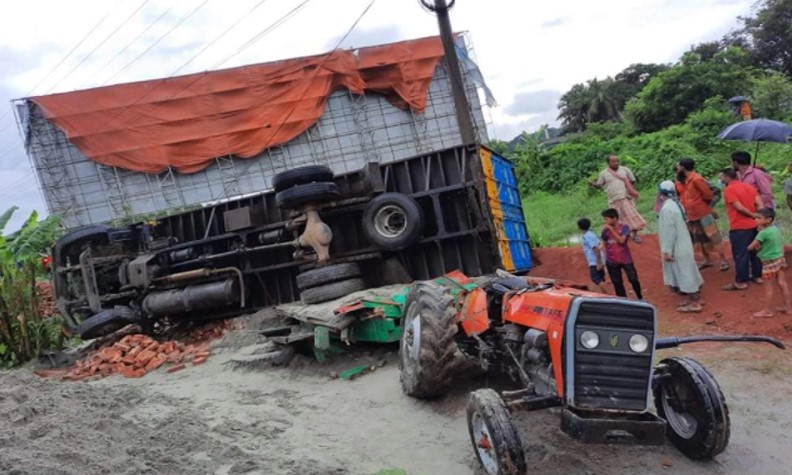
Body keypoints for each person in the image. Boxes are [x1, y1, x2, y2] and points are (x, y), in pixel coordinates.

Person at [656, 181, 704, 312]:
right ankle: (696, 297)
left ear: (661, 194)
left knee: (684, 274)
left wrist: (667, 250)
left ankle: (695, 304)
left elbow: (668, 232)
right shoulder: (677, 205)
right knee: (689, 270)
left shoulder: (666, 209)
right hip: (684, 244)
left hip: (676, 247)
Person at [675, 158, 729, 271]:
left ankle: (723, 259)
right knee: (699, 237)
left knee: (713, 236)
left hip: (702, 212)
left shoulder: (696, 179)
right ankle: (706, 259)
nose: (677, 168)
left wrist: (705, 206)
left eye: (678, 166)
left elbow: (708, 195)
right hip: (691, 214)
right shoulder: (681, 180)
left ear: (683, 167)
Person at [720, 168, 765, 291]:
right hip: (754, 225)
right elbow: (760, 204)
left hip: (739, 226)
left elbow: (738, 207)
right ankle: (758, 276)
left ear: (727, 177)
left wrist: (752, 215)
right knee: (755, 252)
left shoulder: (729, 190)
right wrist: (759, 218)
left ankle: (741, 281)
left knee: (740, 254)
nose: (720, 179)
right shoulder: (749, 187)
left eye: (721, 177)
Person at [589, 155, 646, 243]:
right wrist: (593, 184)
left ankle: (635, 235)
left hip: (625, 197)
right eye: (613, 161)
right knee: (615, 219)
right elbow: (599, 185)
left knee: (631, 216)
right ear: (608, 163)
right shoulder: (603, 173)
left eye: (617, 161)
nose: (616, 163)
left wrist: (627, 186)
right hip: (613, 199)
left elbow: (632, 180)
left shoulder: (625, 170)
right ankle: (621, 236)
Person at [748, 209, 790, 317]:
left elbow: (750, 247)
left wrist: (757, 241)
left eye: (758, 218)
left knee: (769, 288)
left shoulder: (762, 233)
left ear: (768, 220)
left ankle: (767, 310)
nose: (755, 220)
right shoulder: (775, 229)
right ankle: (788, 308)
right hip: (780, 259)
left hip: (768, 263)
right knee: (782, 283)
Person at [600, 208, 643, 299]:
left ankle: (640, 297)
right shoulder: (604, 231)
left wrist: (611, 230)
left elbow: (622, 241)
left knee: (633, 279)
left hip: (626, 259)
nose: (605, 221)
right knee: (617, 283)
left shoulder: (624, 227)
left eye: (606, 219)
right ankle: (624, 301)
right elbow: (603, 242)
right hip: (611, 261)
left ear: (614, 218)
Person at [577, 218, 608, 294]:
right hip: (599, 258)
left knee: (595, 278)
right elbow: (599, 244)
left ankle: (606, 295)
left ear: (579, 227)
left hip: (594, 261)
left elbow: (595, 248)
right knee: (600, 277)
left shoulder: (586, 236)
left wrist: (598, 262)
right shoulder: (591, 233)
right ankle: (604, 293)